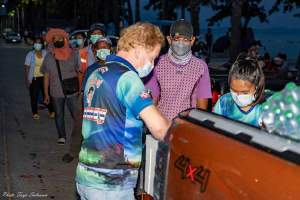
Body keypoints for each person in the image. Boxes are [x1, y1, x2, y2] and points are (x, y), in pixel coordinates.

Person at [75, 22, 171, 200]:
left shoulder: (97, 72)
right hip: (111, 182)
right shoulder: (127, 78)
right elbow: (160, 128)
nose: (152, 64)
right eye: (152, 58)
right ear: (138, 50)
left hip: (87, 175)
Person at [145, 19, 212, 120]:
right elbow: (152, 102)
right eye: (176, 39)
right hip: (162, 125)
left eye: (185, 40)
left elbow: (201, 107)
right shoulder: (157, 64)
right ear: (169, 39)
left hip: (188, 127)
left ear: (192, 40)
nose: (181, 44)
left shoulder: (201, 67)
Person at [41, 28, 82, 162]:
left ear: (65, 39)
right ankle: (62, 136)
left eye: (60, 38)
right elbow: (46, 76)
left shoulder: (74, 54)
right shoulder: (48, 56)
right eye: (55, 39)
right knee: (59, 114)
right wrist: (46, 93)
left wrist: (80, 89)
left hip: (72, 92)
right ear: (52, 42)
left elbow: (79, 73)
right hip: (55, 91)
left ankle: (79, 138)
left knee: (77, 116)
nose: (57, 41)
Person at [213, 54, 265, 127]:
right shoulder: (224, 102)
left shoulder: (265, 108)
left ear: (257, 87)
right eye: (234, 90)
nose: (238, 96)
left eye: (244, 92)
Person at [24, 37, 55, 120]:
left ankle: (51, 111)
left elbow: (52, 49)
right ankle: (35, 113)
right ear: (34, 44)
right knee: (34, 96)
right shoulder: (30, 54)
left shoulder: (45, 53)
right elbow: (27, 67)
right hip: (34, 78)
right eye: (36, 43)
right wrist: (27, 79)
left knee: (47, 94)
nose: (37, 44)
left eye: (39, 43)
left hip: (45, 77)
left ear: (42, 44)